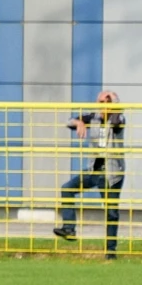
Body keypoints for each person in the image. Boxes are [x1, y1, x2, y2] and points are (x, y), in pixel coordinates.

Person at [54, 92, 127, 258]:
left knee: (111, 212)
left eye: (108, 101)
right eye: (101, 101)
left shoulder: (119, 118)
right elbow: (69, 121)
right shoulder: (92, 117)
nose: (104, 104)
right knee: (67, 189)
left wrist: (114, 106)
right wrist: (78, 122)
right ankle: (69, 228)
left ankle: (111, 251)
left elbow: (117, 123)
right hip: (93, 169)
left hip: (112, 172)